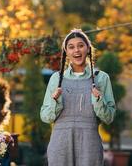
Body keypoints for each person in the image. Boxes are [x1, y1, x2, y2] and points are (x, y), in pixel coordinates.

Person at [40, 29, 116, 166]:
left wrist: (98, 100)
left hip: (89, 145)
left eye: (81, 45)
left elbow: (109, 117)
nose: (77, 50)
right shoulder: (56, 79)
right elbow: (45, 117)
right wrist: (55, 101)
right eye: (71, 47)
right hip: (60, 146)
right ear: (66, 52)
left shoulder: (101, 78)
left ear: (88, 49)